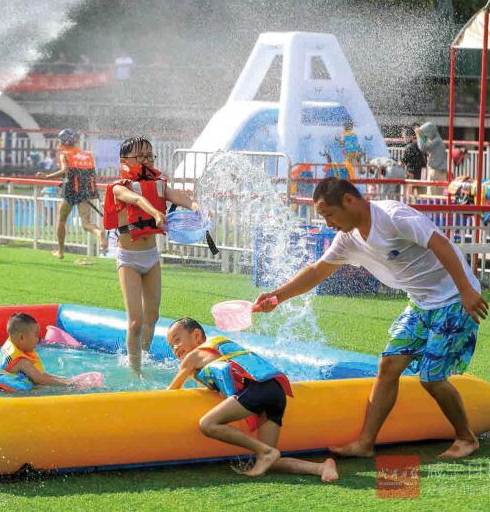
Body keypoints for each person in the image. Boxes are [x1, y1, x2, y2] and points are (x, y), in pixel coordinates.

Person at [255, 178, 488, 460]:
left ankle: (466, 438)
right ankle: (365, 443)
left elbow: (439, 243)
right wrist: (277, 297)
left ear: (350, 201)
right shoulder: (348, 238)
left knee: (431, 377)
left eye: (329, 214)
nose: (328, 223)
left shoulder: (393, 216)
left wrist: (466, 289)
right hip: (421, 303)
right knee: (388, 366)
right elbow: (317, 272)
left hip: (453, 298)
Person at [166, 318, 338, 481]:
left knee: (208, 424)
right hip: (276, 390)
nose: (174, 348)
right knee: (271, 461)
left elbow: (171, 391)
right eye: (171, 345)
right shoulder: (220, 347)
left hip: (257, 390)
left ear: (196, 335)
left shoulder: (192, 357)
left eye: (177, 339)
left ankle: (264, 452)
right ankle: (322, 468)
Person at [102, 136, 198, 372]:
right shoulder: (119, 188)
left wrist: (197, 208)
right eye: (140, 157)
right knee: (135, 322)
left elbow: (178, 197)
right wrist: (155, 213)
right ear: (124, 160)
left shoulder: (159, 184)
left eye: (149, 156)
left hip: (151, 257)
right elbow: (136, 199)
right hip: (129, 260)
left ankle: (141, 357)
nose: (146, 161)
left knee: (152, 317)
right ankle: (135, 372)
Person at [0, 313, 74, 391]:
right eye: (36, 335)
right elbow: (41, 379)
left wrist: (67, 380)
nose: (38, 339)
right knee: (39, 389)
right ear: (22, 338)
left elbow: (41, 374)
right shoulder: (22, 362)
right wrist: (71, 386)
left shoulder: (12, 345)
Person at [39, 129, 107, 259]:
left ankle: (61, 251)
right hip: (86, 189)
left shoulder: (65, 154)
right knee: (86, 223)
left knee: (61, 220)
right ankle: (99, 233)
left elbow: (65, 170)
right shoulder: (88, 154)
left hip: (70, 189)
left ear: (63, 141)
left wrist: (48, 176)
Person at [401, 124, 426, 198]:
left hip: (411, 174)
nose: (403, 139)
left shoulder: (409, 147)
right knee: (421, 196)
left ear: (410, 137)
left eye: (404, 137)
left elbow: (403, 162)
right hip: (422, 174)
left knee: (409, 196)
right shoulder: (420, 144)